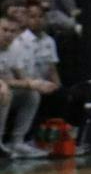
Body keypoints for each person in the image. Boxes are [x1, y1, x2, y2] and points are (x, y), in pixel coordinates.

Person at [0, 15, 55, 159]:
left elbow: (20, 75)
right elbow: (4, 80)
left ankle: (17, 142)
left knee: (31, 94)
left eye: (12, 31)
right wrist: (29, 83)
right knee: (4, 93)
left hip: (4, 86)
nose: (8, 34)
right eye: (4, 30)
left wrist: (37, 84)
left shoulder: (15, 47)